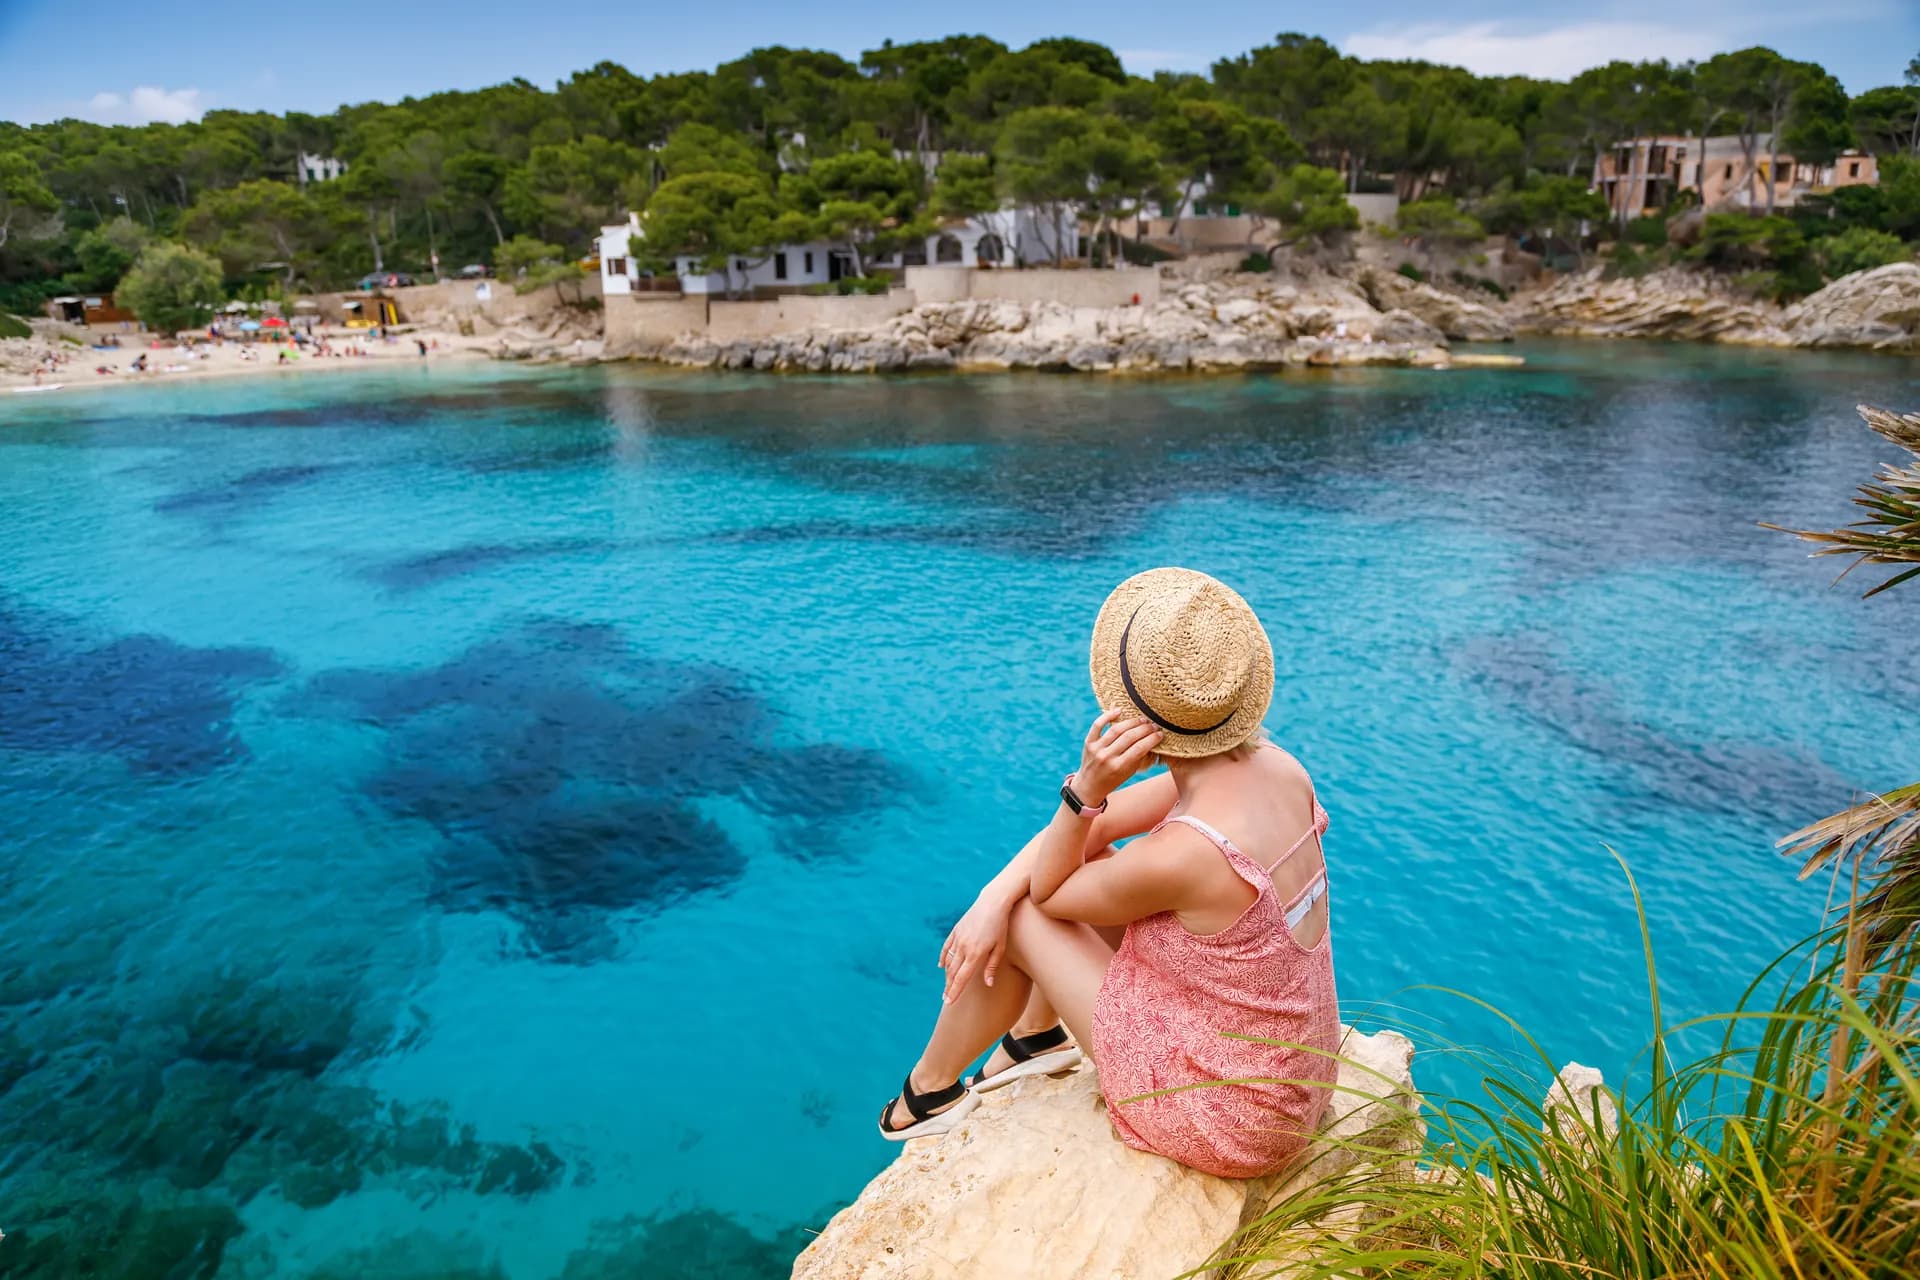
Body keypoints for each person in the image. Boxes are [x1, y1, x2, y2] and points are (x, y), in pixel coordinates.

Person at [878, 568, 1340, 1179]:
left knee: (1025, 916)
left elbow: (1050, 892)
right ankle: (1034, 1039)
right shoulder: (1277, 767)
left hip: (1228, 1118)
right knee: (1078, 873)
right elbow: (1096, 834)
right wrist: (992, 892)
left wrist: (1086, 789)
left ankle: (929, 1091)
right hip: (1290, 1077)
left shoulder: (1189, 853)